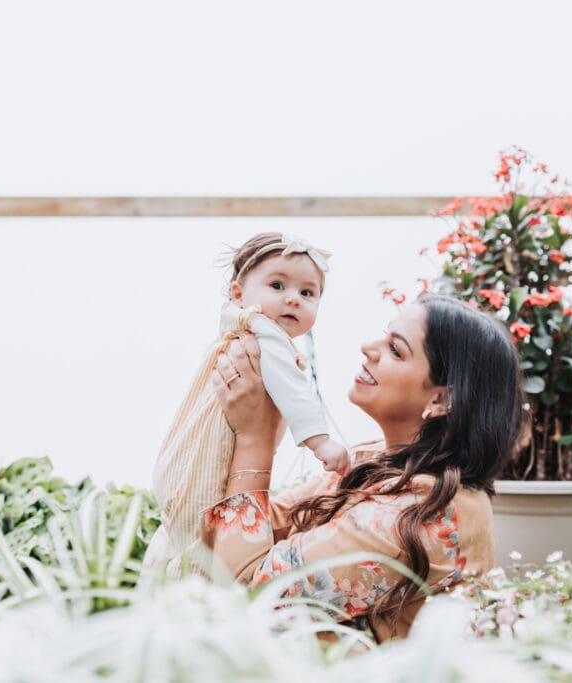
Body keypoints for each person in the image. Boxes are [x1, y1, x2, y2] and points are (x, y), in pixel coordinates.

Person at [200, 295, 524, 641]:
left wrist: (256, 439)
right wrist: (275, 406)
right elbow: (268, 523)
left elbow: (243, 596)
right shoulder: (378, 460)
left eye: (396, 350)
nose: (368, 347)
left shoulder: (420, 513)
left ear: (441, 400)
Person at [145, 232, 350, 575]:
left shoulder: (238, 327)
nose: (293, 300)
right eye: (277, 286)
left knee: (183, 533)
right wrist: (320, 441)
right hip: (218, 450)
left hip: (188, 455)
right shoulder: (266, 333)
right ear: (239, 293)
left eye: (307, 293)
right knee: (205, 534)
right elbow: (294, 392)